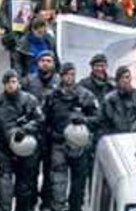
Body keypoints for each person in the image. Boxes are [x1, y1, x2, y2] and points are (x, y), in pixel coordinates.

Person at [42, 63, 100, 211]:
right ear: (61, 76)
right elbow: (43, 119)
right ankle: (58, 207)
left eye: (72, 74)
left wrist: (84, 121)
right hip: (58, 143)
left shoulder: (85, 95)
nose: (70, 78)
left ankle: (76, 207)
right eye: (67, 74)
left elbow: (98, 118)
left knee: (79, 182)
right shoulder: (51, 96)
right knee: (58, 181)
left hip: (79, 144)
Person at [0, 69, 43, 211]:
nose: (11, 85)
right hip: (4, 149)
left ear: (18, 83)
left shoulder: (30, 100)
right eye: (7, 82)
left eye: (13, 82)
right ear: (3, 84)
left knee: (24, 188)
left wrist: (24, 130)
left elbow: (40, 120)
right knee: (4, 188)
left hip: (26, 150)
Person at [101, 67, 136, 135]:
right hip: (118, 139)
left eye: (127, 77)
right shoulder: (109, 100)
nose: (126, 81)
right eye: (122, 78)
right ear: (117, 81)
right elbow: (104, 123)